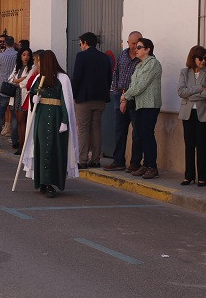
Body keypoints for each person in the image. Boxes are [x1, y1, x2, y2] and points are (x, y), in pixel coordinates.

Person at [22, 50, 79, 197]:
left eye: (40, 61)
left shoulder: (62, 78)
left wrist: (65, 121)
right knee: (42, 148)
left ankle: (51, 182)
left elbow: (66, 102)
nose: (37, 64)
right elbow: (33, 92)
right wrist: (34, 98)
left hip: (56, 117)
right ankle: (42, 181)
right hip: (41, 117)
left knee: (54, 149)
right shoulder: (39, 78)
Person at [121, 38, 162, 180]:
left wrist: (125, 96)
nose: (136, 49)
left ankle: (152, 166)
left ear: (148, 49)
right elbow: (134, 85)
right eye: (136, 47)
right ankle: (145, 164)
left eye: (139, 47)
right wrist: (127, 97)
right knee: (142, 135)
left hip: (150, 105)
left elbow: (141, 86)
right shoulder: (139, 66)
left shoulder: (153, 64)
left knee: (148, 135)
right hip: (139, 104)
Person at [72, 32, 113, 168]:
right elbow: (109, 77)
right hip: (100, 98)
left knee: (83, 129)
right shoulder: (104, 58)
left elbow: (77, 78)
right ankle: (95, 159)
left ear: (85, 42)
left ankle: (82, 160)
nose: (80, 47)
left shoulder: (81, 56)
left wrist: (74, 95)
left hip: (84, 98)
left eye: (80, 44)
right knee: (96, 129)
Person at [104, 31, 142, 172]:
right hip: (119, 95)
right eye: (132, 43)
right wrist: (115, 92)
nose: (134, 47)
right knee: (119, 130)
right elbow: (116, 73)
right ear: (128, 43)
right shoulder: (123, 55)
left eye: (137, 43)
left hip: (135, 97)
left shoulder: (144, 58)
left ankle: (135, 162)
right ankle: (118, 160)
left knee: (137, 132)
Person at [177, 45, 206, 186]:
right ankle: (189, 175)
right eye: (200, 58)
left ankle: (202, 177)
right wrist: (199, 88)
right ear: (193, 58)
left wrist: (190, 95)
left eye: (205, 58)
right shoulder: (184, 72)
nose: (203, 61)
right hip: (187, 113)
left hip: (203, 113)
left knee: (202, 145)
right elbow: (181, 91)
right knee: (189, 145)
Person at [0, 35, 18, 148]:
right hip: (14, 88)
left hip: (2, 89)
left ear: (5, 44)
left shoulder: (0, 56)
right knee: (14, 116)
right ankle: (15, 142)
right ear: (13, 43)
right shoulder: (17, 55)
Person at [9, 47, 34, 155]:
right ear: (20, 56)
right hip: (16, 96)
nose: (26, 57)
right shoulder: (17, 67)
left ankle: (23, 146)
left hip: (24, 97)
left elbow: (26, 82)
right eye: (24, 55)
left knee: (23, 122)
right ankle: (20, 144)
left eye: (28, 55)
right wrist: (20, 80)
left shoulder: (31, 67)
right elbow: (10, 79)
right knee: (19, 122)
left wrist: (17, 80)